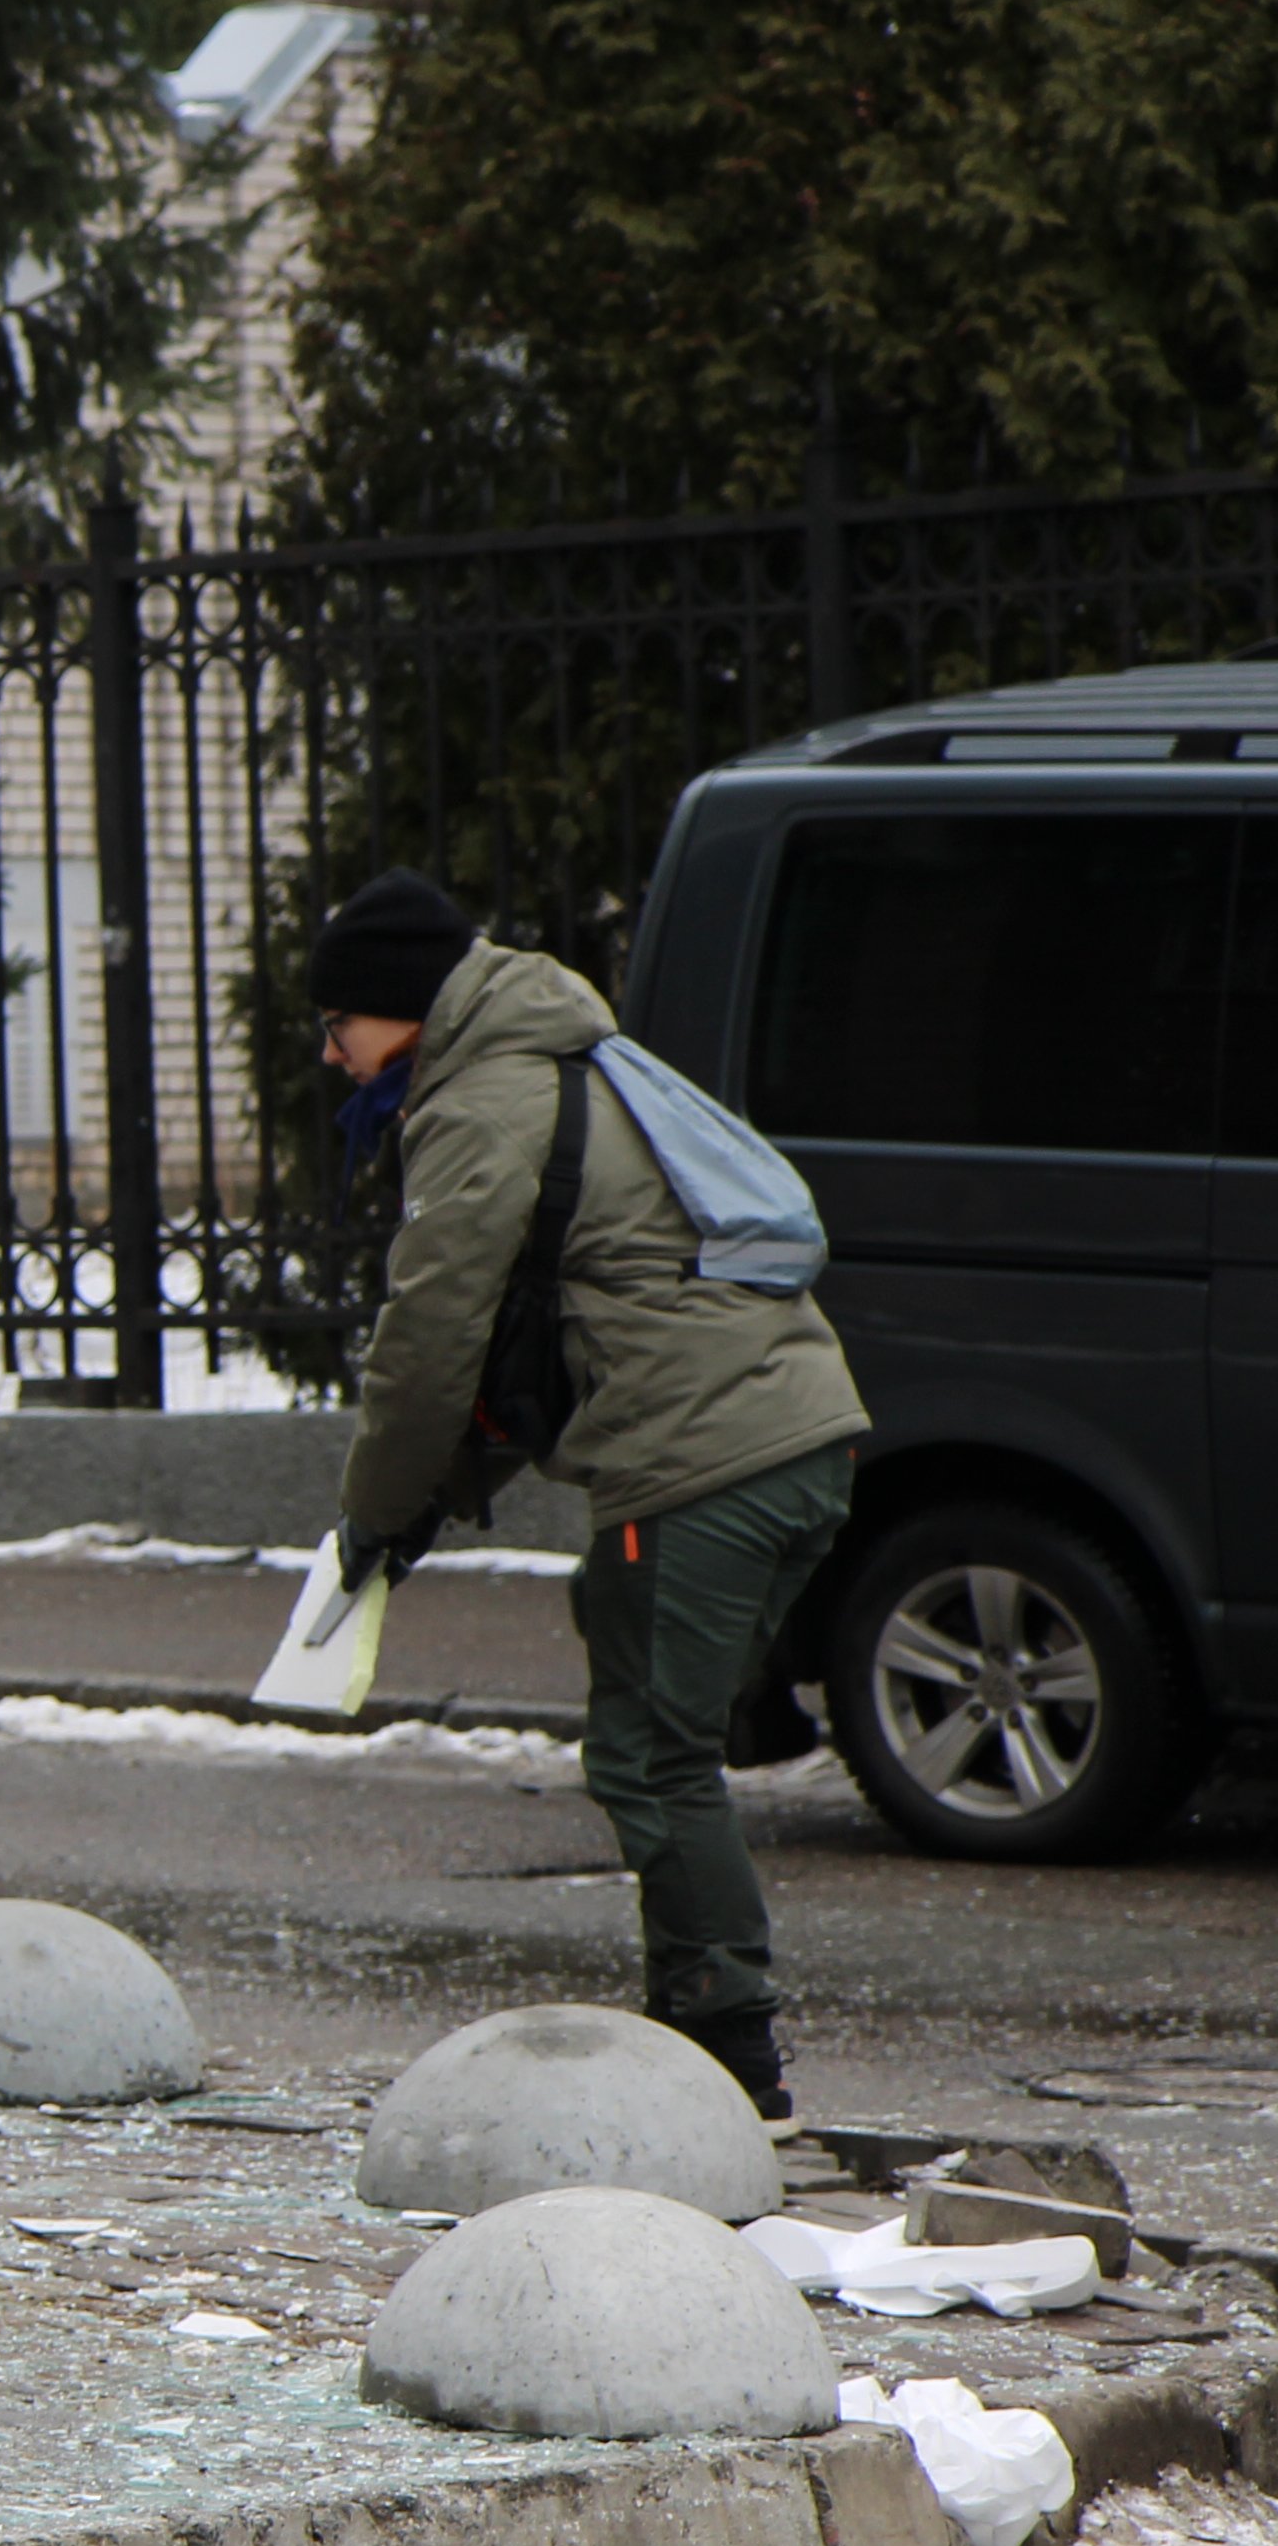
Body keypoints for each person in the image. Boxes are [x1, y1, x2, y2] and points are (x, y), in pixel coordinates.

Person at [307, 869, 870, 2118]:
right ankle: (712, 2029)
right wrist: (424, 1503)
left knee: (649, 1758)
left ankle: (725, 2055)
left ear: (396, 1009)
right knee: (654, 1720)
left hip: (701, 1458)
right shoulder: (559, 1055)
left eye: (337, 1023)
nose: (334, 1055)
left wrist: (374, 1512)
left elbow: (431, 1335)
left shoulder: (479, 1101)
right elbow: (527, 1346)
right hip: (788, 1439)